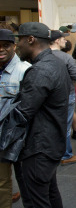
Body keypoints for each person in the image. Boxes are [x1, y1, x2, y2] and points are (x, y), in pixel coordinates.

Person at [15, 22, 72, 208]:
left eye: (20, 41)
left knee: (37, 200)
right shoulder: (56, 63)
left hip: (38, 146)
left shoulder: (41, 70)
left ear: (30, 39)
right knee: (50, 192)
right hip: (51, 142)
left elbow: (23, 113)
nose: (17, 46)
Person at [0, 29, 31, 208]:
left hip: (20, 136)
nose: (1, 50)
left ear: (14, 46)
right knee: (2, 182)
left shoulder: (25, 70)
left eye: (5, 45)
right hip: (1, 136)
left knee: (26, 181)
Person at [49, 30, 76, 166]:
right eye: (63, 39)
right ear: (57, 41)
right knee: (65, 125)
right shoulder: (67, 58)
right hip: (65, 94)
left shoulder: (41, 56)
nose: (65, 41)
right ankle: (65, 155)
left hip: (48, 95)